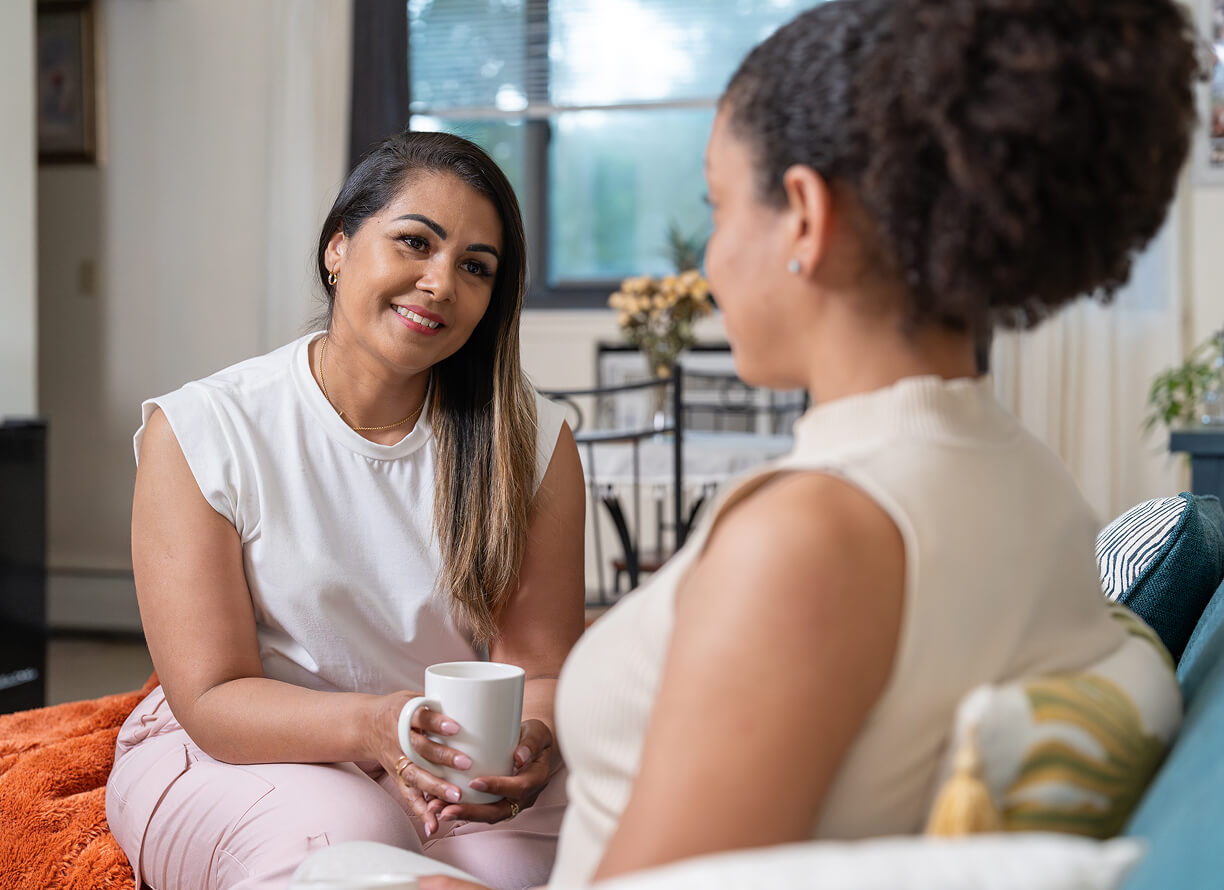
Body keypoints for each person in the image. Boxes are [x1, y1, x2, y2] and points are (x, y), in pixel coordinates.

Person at [397, 0, 1200, 888]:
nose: (709, 259)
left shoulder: (815, 535)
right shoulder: (1031, 476)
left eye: (720, 205)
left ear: (806, 219)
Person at [105, 130, 587, 890]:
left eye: (475, 267)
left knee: (621, 813)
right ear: (337, 247)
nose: (439, 282)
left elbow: (543, 672)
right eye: (413, 243)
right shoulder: (204, 430)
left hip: (450, 764)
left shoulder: (530, 441)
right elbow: (212, 697)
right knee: (357, 838)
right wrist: (374, 726)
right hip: (251, 748)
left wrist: (530, 745)